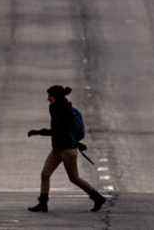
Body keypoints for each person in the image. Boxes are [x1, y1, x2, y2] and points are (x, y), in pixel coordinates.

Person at [27, 85, 106, 213]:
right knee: (45, 174)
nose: (48, 99)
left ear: (56, 97)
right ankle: (43, 203)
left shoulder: (64, 111)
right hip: (58, 149)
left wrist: (39, 132)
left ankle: (97, 198)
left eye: (50, 96)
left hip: (68, 150)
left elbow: (59, 131)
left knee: (74, 178)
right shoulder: (54, 107)